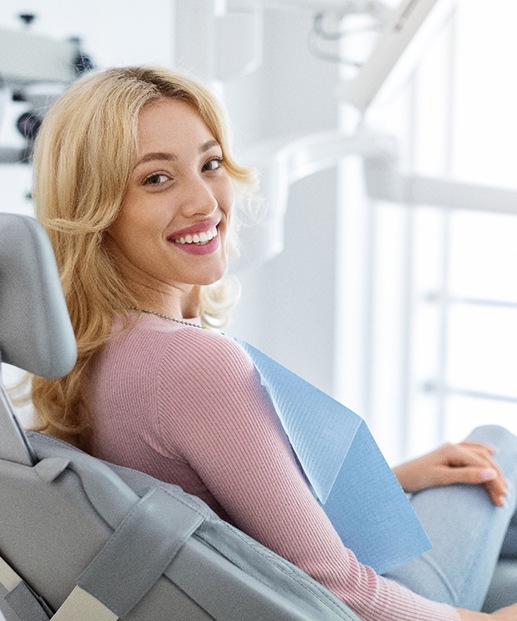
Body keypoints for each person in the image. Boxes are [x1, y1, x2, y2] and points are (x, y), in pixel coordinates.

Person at [30, 65, 517, 621]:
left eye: (210, 165)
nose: (204, 202)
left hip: (252, 588)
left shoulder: (91, 346)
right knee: (499, 446)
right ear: (96, 210)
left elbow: (223, 517)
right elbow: (340, 592)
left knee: (484, 492)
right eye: (156, 179)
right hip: (346, 605)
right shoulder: (190, 364)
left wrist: (396, 481)